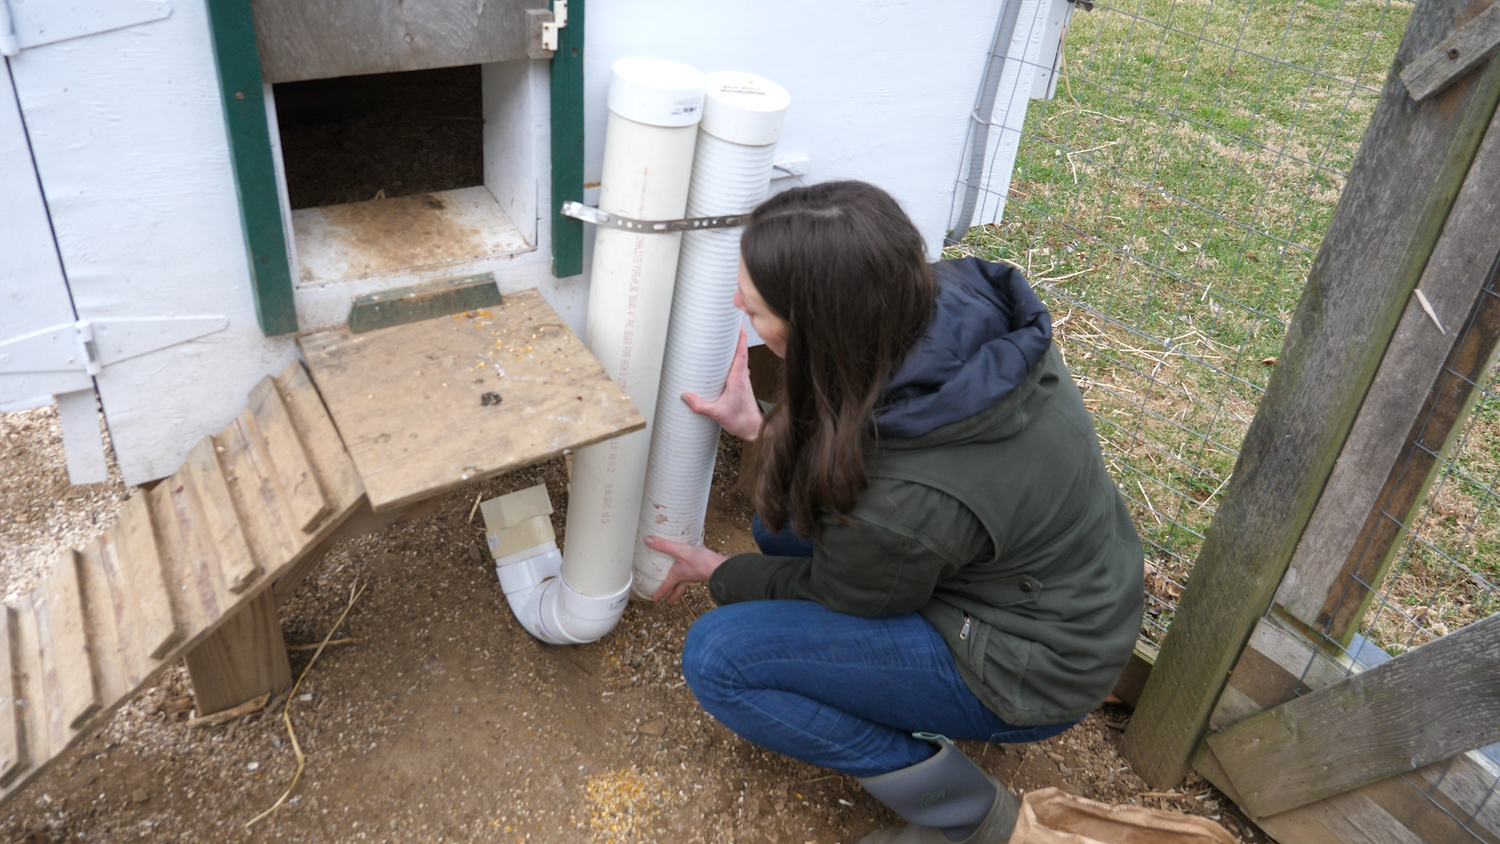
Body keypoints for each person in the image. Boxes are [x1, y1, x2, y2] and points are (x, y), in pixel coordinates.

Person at [643, 181, 1144, 844]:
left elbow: (848, 593)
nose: (739, 304)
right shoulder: (940, 305)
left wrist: (722, 573)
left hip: (1034, 666)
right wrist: (763, 429)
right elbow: (858, 420)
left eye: (757, 308)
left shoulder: (904, 497)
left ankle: (966, 815)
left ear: (820, 329)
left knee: (721, 658)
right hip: (1049, 589)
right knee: (777, 521)